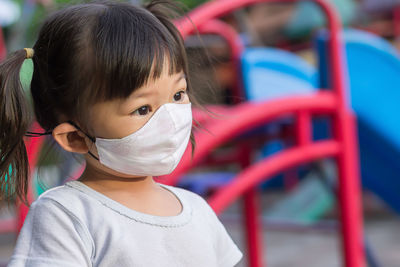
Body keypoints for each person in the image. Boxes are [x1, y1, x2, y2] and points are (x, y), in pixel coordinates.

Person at [0, 1, 243, 266]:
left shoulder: (197, 210)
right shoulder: (66, 216)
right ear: (75, 138)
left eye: (177, 94)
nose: (171, 118)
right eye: (142, 109)